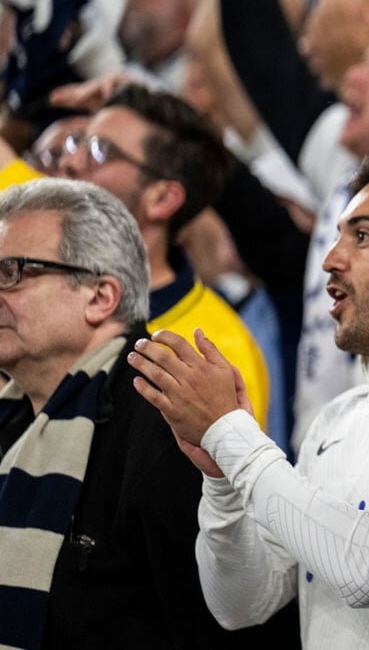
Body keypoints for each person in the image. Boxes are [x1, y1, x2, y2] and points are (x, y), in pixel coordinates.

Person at [130, 149, 369, 647]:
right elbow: (241, 605)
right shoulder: (335, 419)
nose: (330, 259)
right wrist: (221, 480)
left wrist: (230, 432)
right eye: (337, 236)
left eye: (362, 236)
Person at [0, 180, 281, 648]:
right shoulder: (13, 414)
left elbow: (225, 630)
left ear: (100, 296)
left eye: (11, 272)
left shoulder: (171, 422)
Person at [0, 85, 273, 428]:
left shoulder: (212, 350)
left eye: (100, 151)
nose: (69, 162)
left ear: (161, 199)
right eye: (78, 143)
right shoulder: (41, 230)